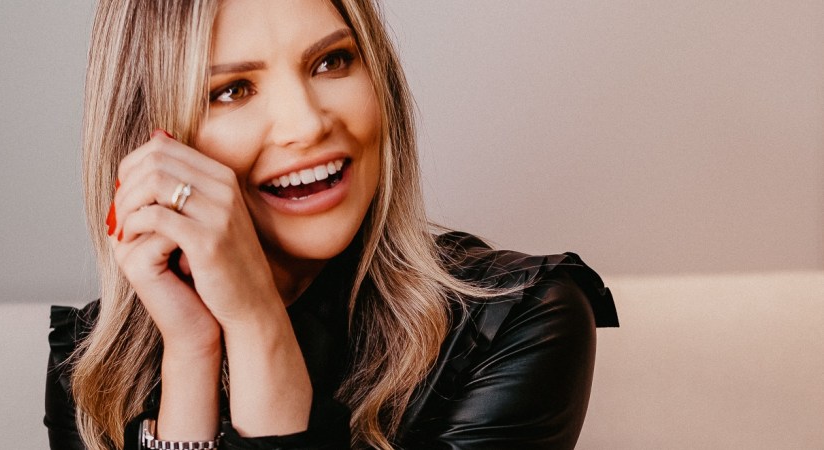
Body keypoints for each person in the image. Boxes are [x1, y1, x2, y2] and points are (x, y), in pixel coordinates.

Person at [44, 0, 619, 449]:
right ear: (152, 144)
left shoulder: (519, 322)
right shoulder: (93, 372)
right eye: (232, 90)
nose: (307, 124)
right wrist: (192, 354)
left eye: (331, 61)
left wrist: (258, 325)